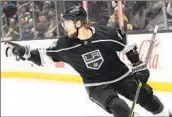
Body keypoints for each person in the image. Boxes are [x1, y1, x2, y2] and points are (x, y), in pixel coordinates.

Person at [4, 6, 172, 117]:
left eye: (67, 23)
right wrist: (24, 53)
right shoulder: (65, 45)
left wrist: (138, 66)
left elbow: (126, 48)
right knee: (121, 109)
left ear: (79, 22)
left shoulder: (105, 34)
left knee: (149, 100)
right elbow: (43, 56)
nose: (64, 26)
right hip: (97, 86)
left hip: (121, 76)